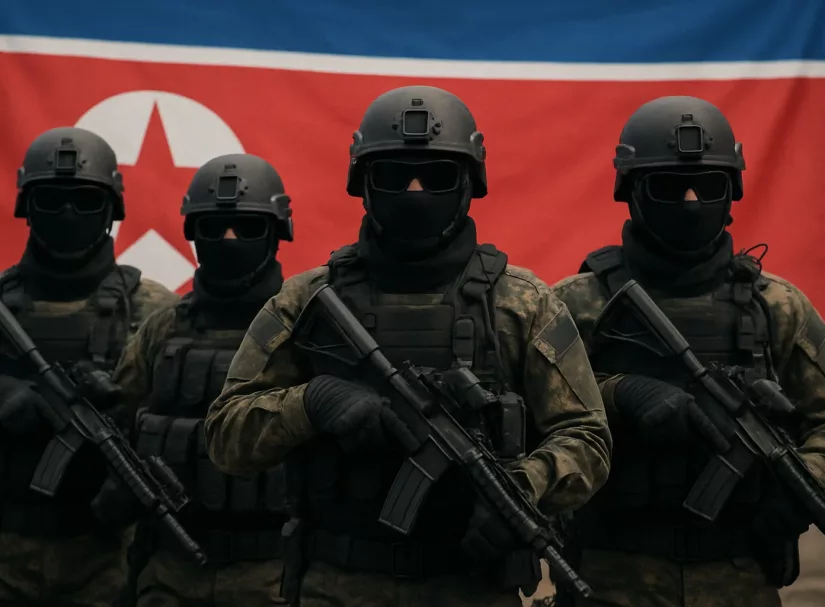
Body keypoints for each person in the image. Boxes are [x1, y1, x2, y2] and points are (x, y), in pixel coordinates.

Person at [204, 85, 612, 607]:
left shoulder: (521, 302)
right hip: (336, 586)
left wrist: (526, 485)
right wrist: (310, 402)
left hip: (470, 587)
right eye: (395, 176)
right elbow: (225, 437)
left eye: (436, 176)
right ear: (364, 184)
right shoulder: (307, 300)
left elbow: (588, 438)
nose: (415, 191)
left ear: (468, 185)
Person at [552, 95, 825, 607]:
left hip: (740, 576)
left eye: (707, 186)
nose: (691, 202)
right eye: (669, 187)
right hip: (610, 575)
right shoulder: (577, 303)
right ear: (631, 192)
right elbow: (529, 419)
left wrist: (799, 488)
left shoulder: (776, 307)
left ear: (732, 192)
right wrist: (620, 394)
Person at [0, 126, 179, 606]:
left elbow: (186, 419)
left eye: (84, 201)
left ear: (110, 209)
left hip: (105, 556)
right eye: (50, 200)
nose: (67, 214)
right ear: (27, 207)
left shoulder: (154, 309)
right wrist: (10, 397)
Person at [108, 153, 295, 606]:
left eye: (246, 228)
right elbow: (118, 423)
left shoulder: (306, 327)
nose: (229, 240)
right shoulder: (163, 327)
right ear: (193, 234)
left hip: (272, 574)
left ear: (276, 234)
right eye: (213, 228)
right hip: (169, 571)